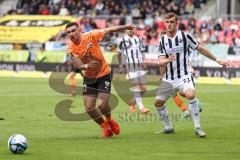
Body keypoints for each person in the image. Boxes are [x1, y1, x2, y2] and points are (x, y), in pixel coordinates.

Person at [155, 12, 229, 138]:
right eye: (167, 22)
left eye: (171, 22)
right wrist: (167, 60)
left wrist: (218, 60)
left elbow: (200, 49)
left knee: (190, 94)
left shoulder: (185, 36)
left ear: (176, 23)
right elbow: (160, 61)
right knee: (158, 103)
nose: (169, 24)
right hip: (169, 78)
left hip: (184, 75)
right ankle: (168, 127)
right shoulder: (162, 41)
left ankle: (198, 127)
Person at [66, 22, 135, 138]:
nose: (71, 34)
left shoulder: (92, 35)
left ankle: (110, 120)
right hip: (89, 78)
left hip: (104, 74)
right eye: (68, 32)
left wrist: (125, 27)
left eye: (73, 31)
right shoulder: (70, 49)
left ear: (79, 30)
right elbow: (78, 65)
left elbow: (108, 29)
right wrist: (87, 67)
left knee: (103, 106)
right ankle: (106, 129)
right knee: (89, 108)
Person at [117, 29, 150, 114]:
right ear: (125, 30)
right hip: (130, 65)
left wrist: (144, 60)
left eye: (132, 29)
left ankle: (133, 102)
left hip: (139, 65)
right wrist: (120, 65)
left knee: (144, 89)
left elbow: (142, 51)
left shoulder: (139, 39)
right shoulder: (122, 40)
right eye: (128, 29)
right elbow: (119, 53)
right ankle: (142, 108)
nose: (130, 30)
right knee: (136, 87)